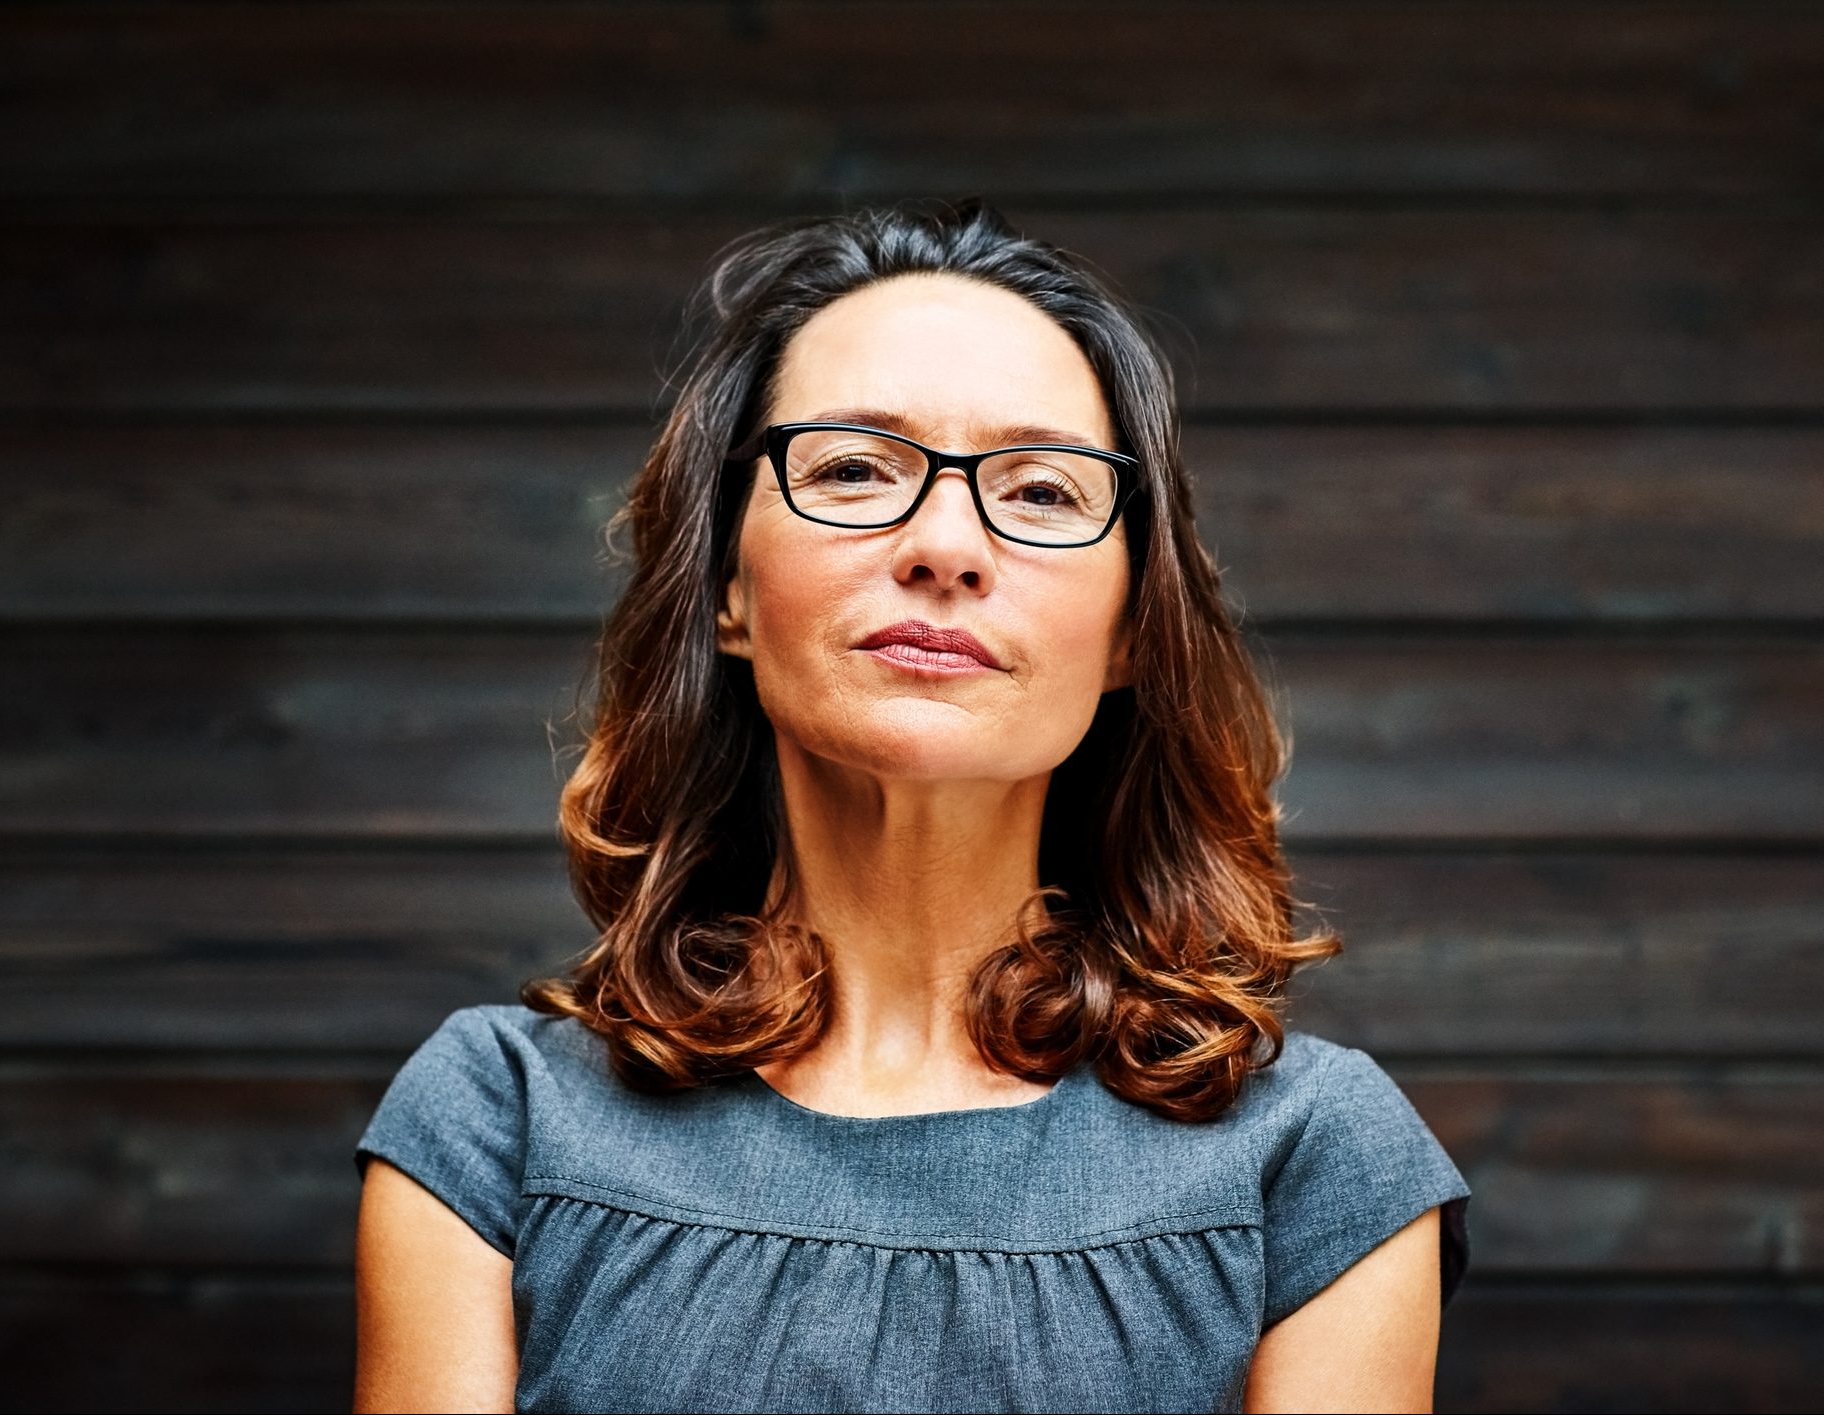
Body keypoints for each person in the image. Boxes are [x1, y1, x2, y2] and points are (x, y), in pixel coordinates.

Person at [351, 197, 1471, 1413]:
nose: (946, 543)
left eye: (1041, 490)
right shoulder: (494, 1121)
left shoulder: (1312, 1159)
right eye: (851, 468)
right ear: (726, 587)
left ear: (1129, 631)